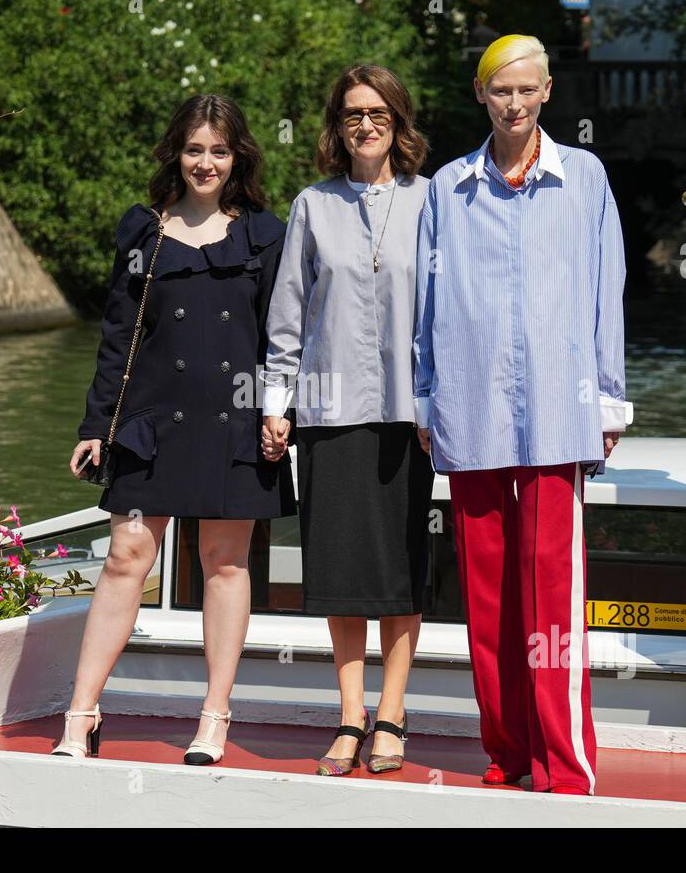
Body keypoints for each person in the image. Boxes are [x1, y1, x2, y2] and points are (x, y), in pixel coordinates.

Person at [413, 34, 632, 795]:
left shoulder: (586, 179)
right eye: (500, 90)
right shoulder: (447, 188)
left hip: (557, 409)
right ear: (481, 94)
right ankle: (506, 752)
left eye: (527, 90)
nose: (514, 103)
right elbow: (426, 304)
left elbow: (607, 290)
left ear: (547, 94)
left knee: (551, 596)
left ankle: (564, 764)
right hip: (469, 408)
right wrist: (424, 396)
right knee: (485, 595)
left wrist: (608, 397)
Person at [61, 94, 295, 765]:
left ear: (237, 158)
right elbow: (116, 337)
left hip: (238, 418)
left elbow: (285, 335)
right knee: (125, 558)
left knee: (225, 563)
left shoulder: (265, 235)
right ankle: (82, 712)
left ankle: (214, 716)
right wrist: (97, 422)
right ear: (177, 154)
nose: (206, 162)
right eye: (195, 149)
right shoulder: (144, 233)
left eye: (219, 151)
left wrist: (284, 410)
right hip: (150, 419)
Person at [261, 65, 433, 776]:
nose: (365, 124)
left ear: (399, 121)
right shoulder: (312, 204)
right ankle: (349, 716)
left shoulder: (433, 201)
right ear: (337, 125)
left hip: (408, 414)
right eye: (352, 114)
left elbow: (449, 312)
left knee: (399, 570)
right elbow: (289, 311)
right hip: (329, 413)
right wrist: (275, 402)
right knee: (337, 572)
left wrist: (441, 401)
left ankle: (391, 715)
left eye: (378, 113)